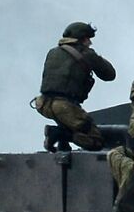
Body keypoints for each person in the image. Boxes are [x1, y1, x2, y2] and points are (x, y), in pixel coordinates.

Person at [33, 22, 116, 151]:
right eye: (88, 39)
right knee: (95, 141)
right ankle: (57, 134)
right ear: (82, 38)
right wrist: (94, 57)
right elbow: (110, 74)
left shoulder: (53, 52)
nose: (90, 42)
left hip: (43, 103)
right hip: (65, 107)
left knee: (68, 125)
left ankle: (60, 139)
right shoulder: (86, 53)